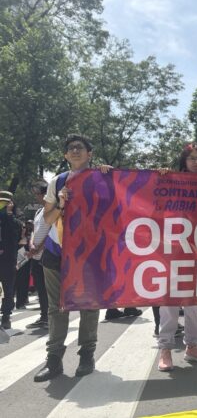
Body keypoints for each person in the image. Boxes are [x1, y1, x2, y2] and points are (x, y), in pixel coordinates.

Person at [34, 135, 111, 382]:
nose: (75, 150)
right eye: (70, 148)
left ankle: (87, 355)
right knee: (56, 308)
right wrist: (61, 204)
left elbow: (115, 210)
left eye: (80, 147)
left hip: (90, 254)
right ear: (66, 155)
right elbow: (48, 219)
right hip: (57, 253)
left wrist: (111, 177)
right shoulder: (57, 182)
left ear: (90, 153)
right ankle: (53, 360)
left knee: (89, 304)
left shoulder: (103, 178)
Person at [157, 143, 197, 371]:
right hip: (172, 249)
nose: (196, 162)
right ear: (184, 161)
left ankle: (192, 346)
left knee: (193, 302)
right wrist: (161, 177)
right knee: (169, 301)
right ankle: (165, 349)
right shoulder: (171, 181)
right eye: (192, 158)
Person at [26, 180, 51, 329]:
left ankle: (49, 317)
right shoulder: (38, 211)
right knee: (40, 287)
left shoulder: (52, 210)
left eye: (38, 194)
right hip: (35, 255)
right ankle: (43, 316)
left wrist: (39, 247)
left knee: (48, 288)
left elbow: (52, 233)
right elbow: (35, 231)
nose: (36, 197)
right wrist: (31, 244)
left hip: (47, 254)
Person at [0, 191, 20, 330]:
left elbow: (17, 231)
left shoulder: (14, 217)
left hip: (8, 259)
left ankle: (6, 316)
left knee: (8, 288)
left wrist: (9, 213)